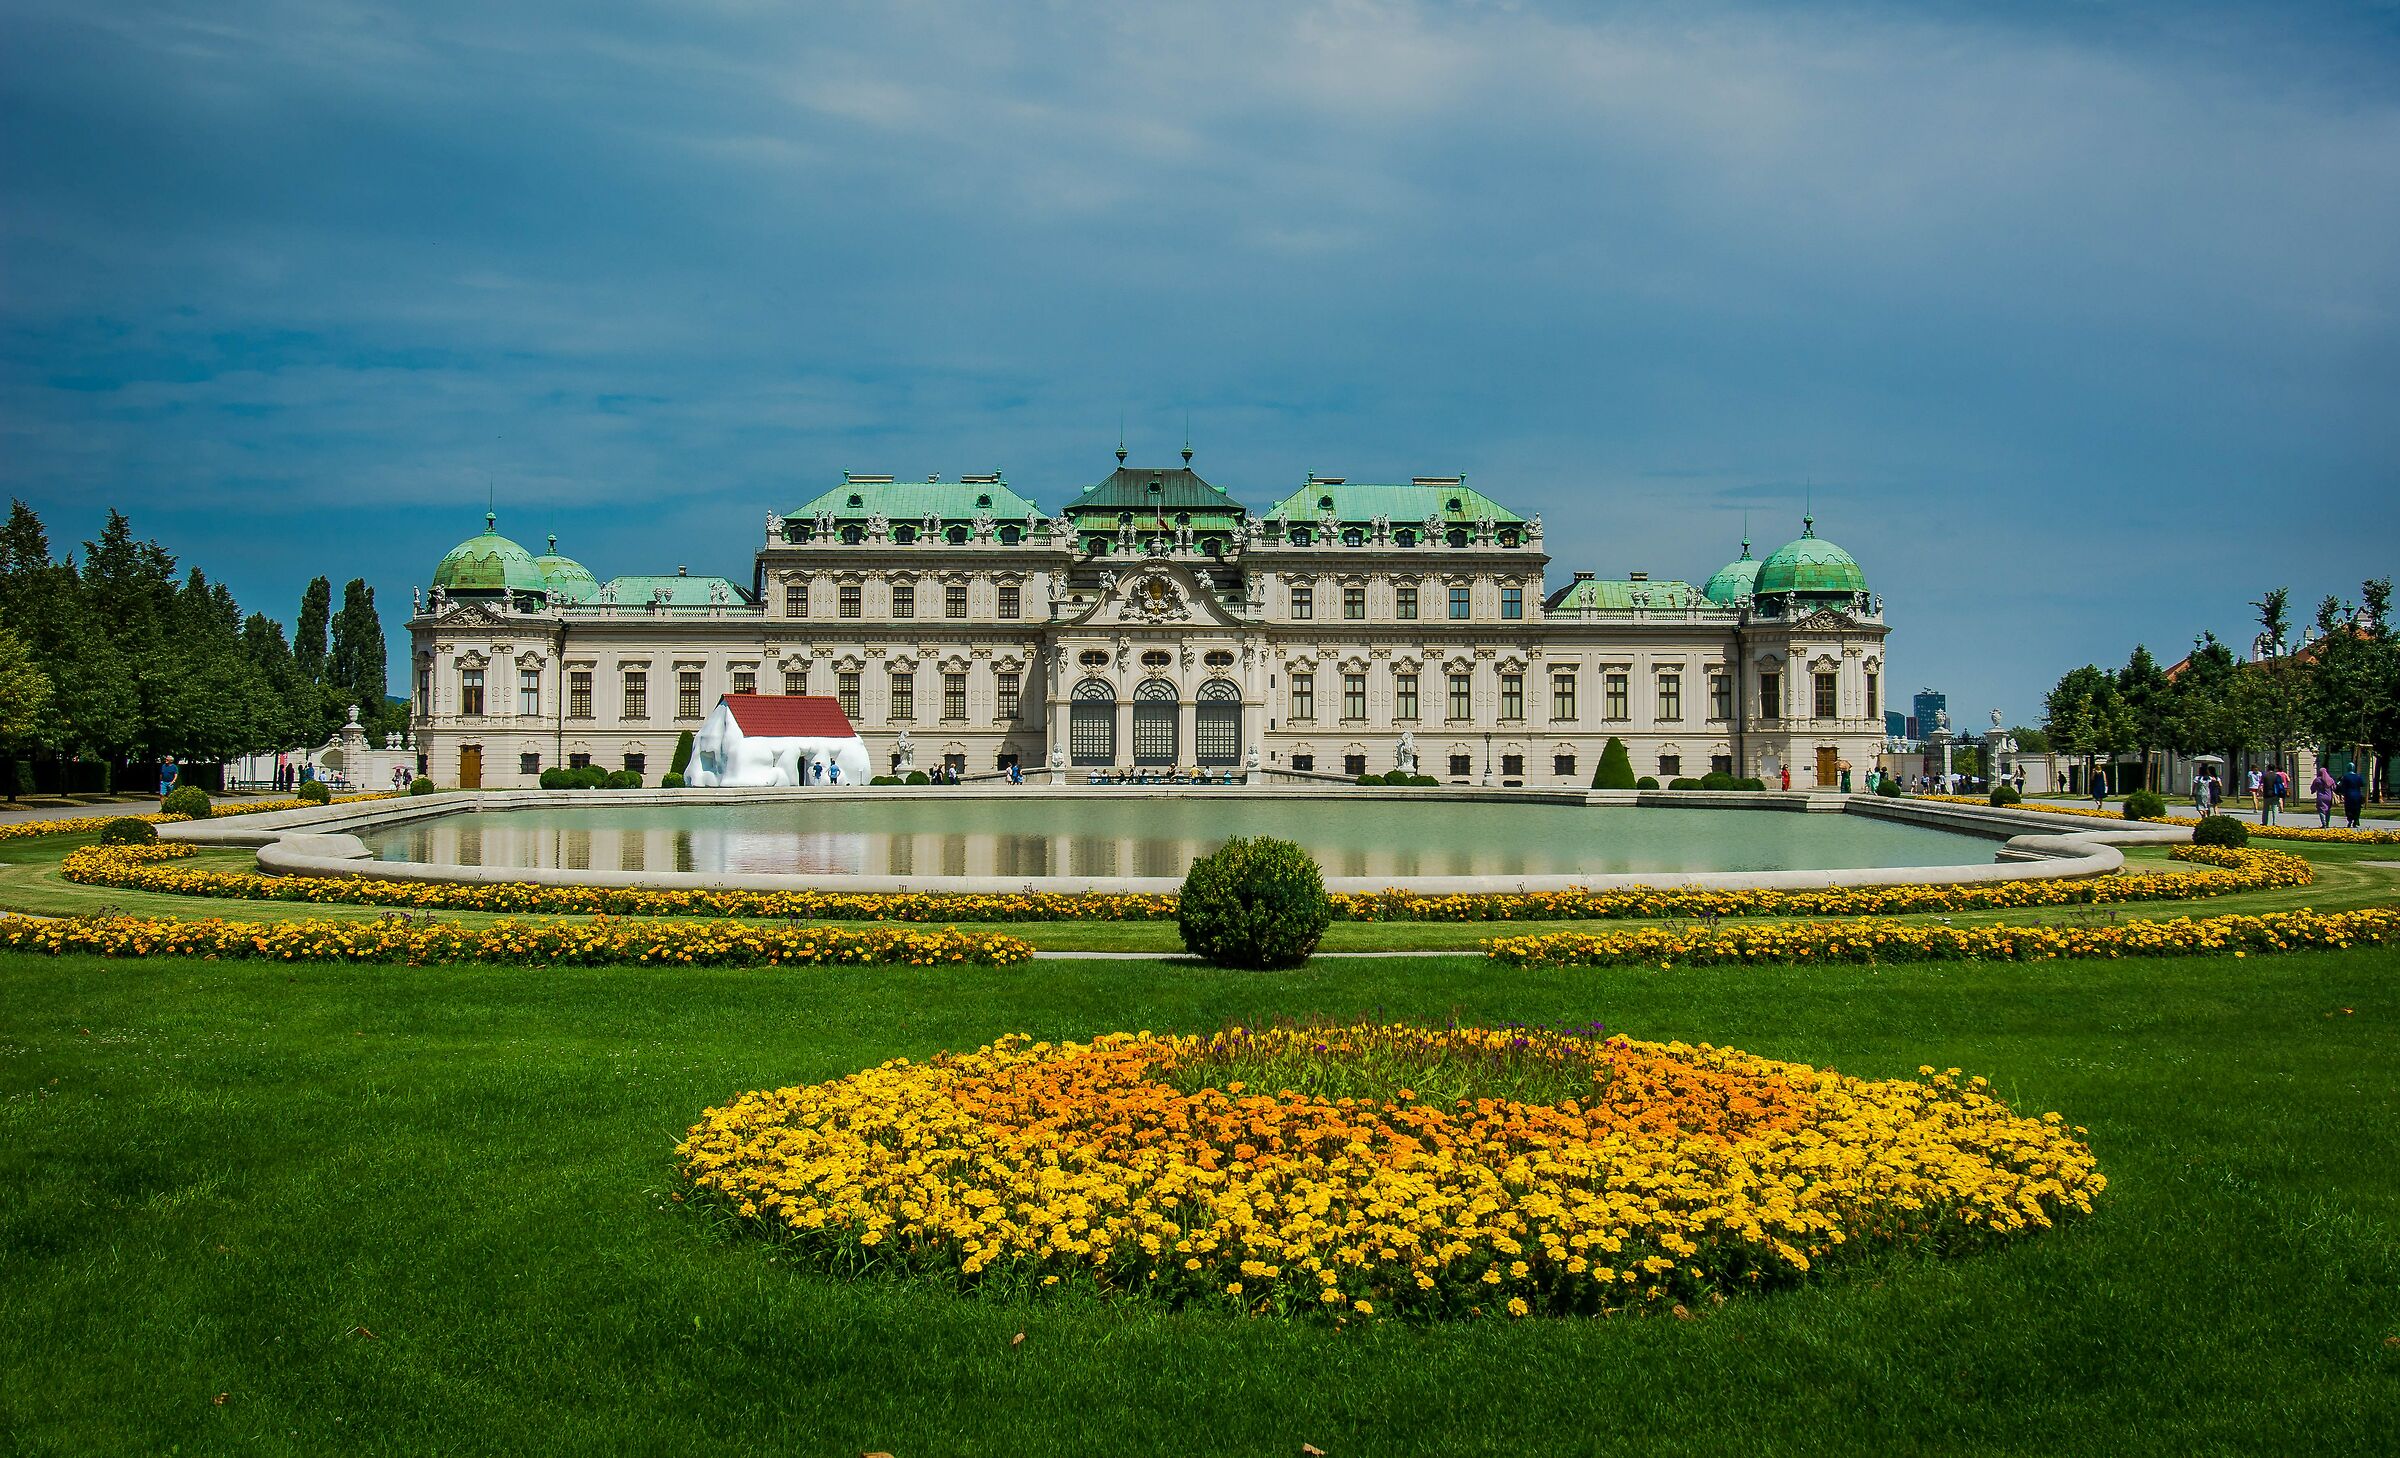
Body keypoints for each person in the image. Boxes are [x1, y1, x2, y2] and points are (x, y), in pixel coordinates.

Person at [2339, 764, 2367, 829]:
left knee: (2348, 808)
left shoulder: (2345, 777)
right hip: (2357, 795)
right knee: (2357, 808)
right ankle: (2356, 820)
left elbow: (2342, 786)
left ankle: (2350, 819)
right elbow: (2362, 784)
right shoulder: (2358, 776)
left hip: (2348, 795)